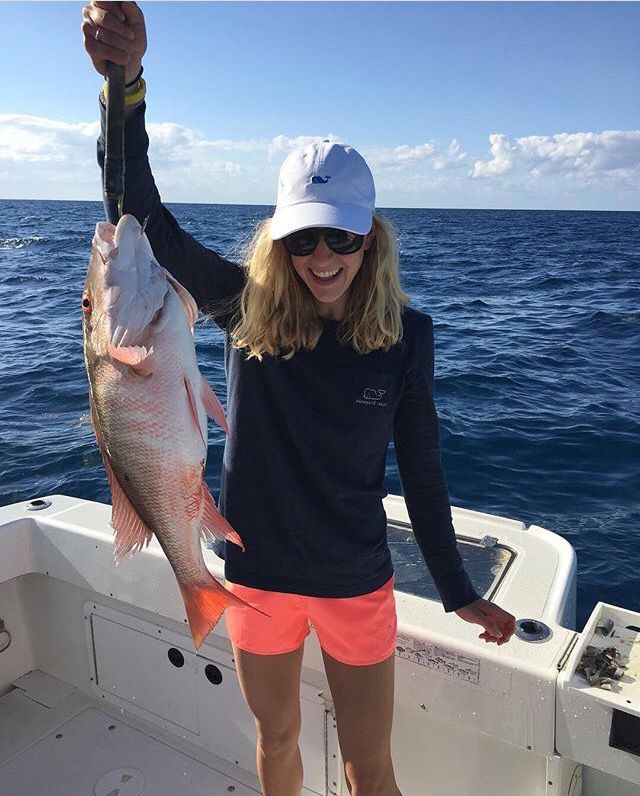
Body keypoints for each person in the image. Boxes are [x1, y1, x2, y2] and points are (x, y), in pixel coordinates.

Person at [82, 4, 516, 795]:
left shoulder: (407, 336)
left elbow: (423, 472)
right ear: (279, 238)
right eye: (304, 238)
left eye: (342, 238)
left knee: (368, 765)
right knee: (277, 741)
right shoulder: (239, 304)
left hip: (357, 582)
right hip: (255, 577)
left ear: (371, 239)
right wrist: (126, 85)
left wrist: (456, 590)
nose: (323, 257)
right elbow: (138, 212)